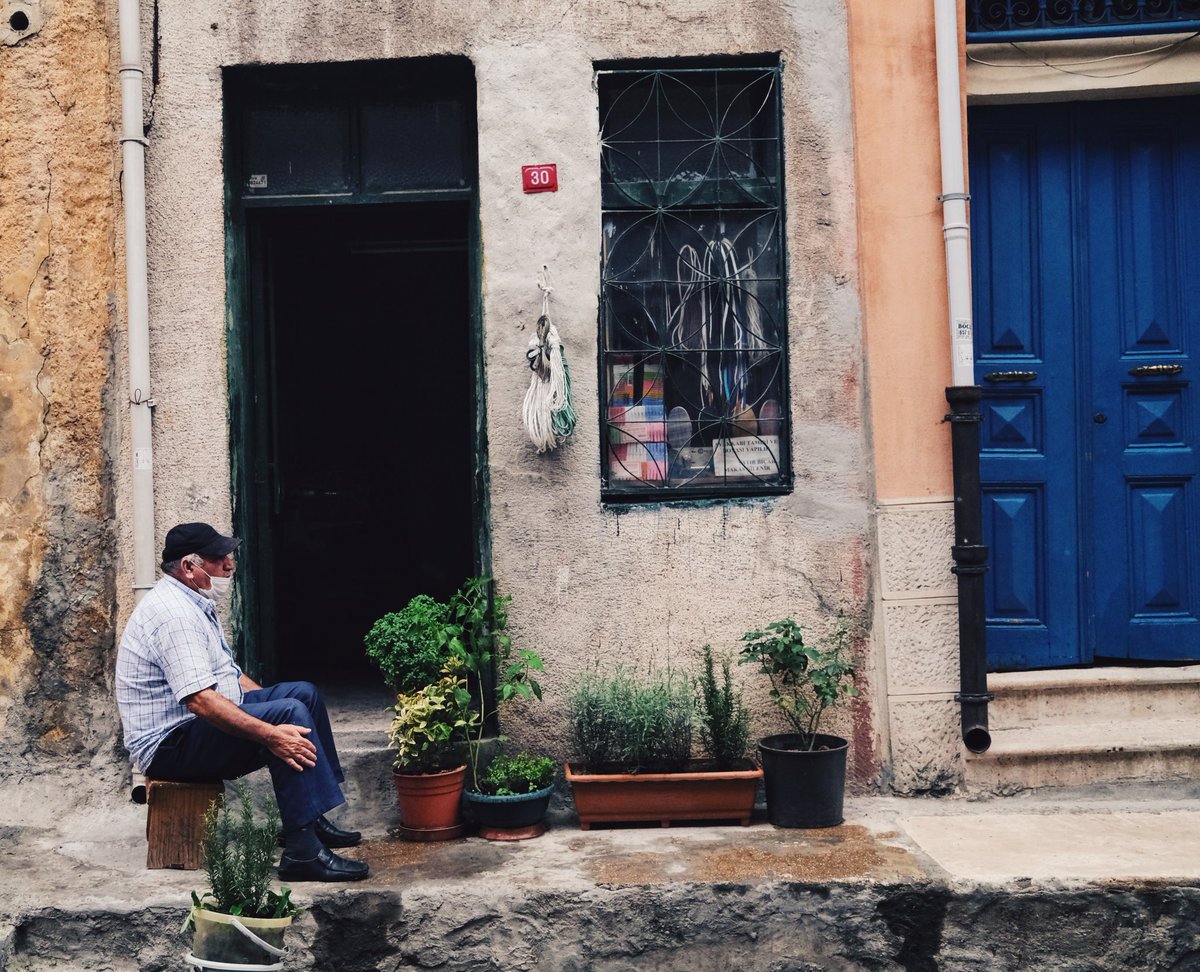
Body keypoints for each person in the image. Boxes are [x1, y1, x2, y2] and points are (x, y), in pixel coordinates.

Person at [116, 522, 369, 882]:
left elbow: (229, 675)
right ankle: (302, 853)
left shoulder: (192, 600)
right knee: (287, 715)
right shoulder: (174, 615)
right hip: (169, 746)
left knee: (301, 694)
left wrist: (268, 702)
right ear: (189, 567)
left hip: (190, 730)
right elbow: (201, 701)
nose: (229, 565)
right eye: (218, 559)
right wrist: (269, 732)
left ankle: (309, 816)